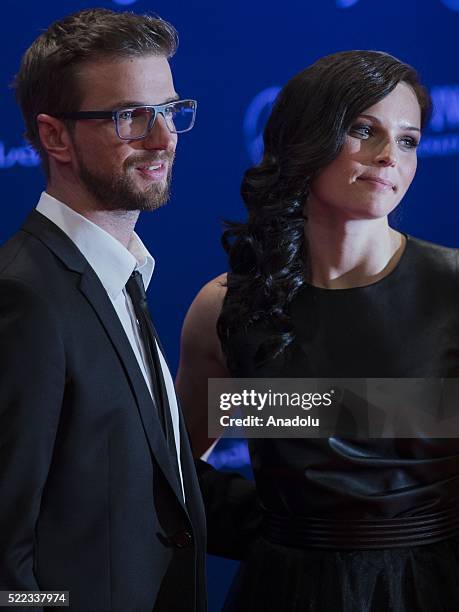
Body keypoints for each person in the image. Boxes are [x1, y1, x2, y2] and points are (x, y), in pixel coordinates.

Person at [177, 50, 459, 611]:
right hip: (285, 589)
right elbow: (173, 469)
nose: (389, 157)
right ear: (304, 139)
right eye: (363, 130)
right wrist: (285, 527)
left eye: (408, 140)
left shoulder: (452, 288)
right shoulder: (225, 307)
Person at [0, 8, 260, 612]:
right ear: (54, 136)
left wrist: (342, 528)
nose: (163, 137)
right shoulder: (25, 299)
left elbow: (154, 483)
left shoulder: (120, 277)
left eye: (169, 111)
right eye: (129, 117)